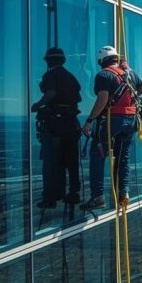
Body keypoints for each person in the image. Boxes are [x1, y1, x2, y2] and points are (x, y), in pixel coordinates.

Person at [82, 46, 142, 210]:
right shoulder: (129, 73)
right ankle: (123, 193)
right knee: (123, 156)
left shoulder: (104, 74)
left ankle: (97, 197)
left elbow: (102, 99)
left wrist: (90, 120)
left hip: (112, 120)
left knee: (98, 153)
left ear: (102, 61)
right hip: (131, 121)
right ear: (116, 58)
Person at [31, 47, 83, 209]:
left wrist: (38, 105)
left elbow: (51, 93)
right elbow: (78, 97)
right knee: (71, 161)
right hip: (70, 124)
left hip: (55, 124)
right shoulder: (70, 77)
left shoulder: (50, 75)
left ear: (48, 61)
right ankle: (73, 193)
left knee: (52, 162)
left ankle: (50, 197)